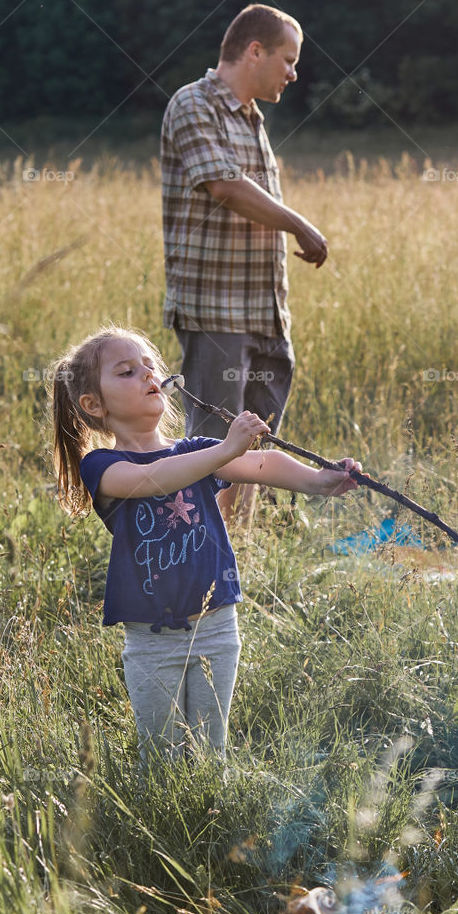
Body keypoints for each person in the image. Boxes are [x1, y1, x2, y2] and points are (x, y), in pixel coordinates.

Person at [51, 326, 359, 771]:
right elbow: (153, 480)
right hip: (152, 639)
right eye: (127, 371)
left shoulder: (195, 451)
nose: (147, 375)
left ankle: (212, 823)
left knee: (211, 753)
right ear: (93, 405)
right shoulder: (102, 466)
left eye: (150, 366)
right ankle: (162, 829)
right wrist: (225, 449)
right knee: (161, 760)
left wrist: (322, 480)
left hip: (216, 627)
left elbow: (263, 462)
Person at [161, 3, 327, 529]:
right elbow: (226, 187)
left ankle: (239, 552)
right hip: (216, 310)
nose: (293, 72)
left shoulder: (255, 120)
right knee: (213, 443)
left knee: (257, 442)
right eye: (287, 58)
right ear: (254, 51)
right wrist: (300, 225)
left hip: (266, 314)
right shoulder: (193, 103)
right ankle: (200, 560)